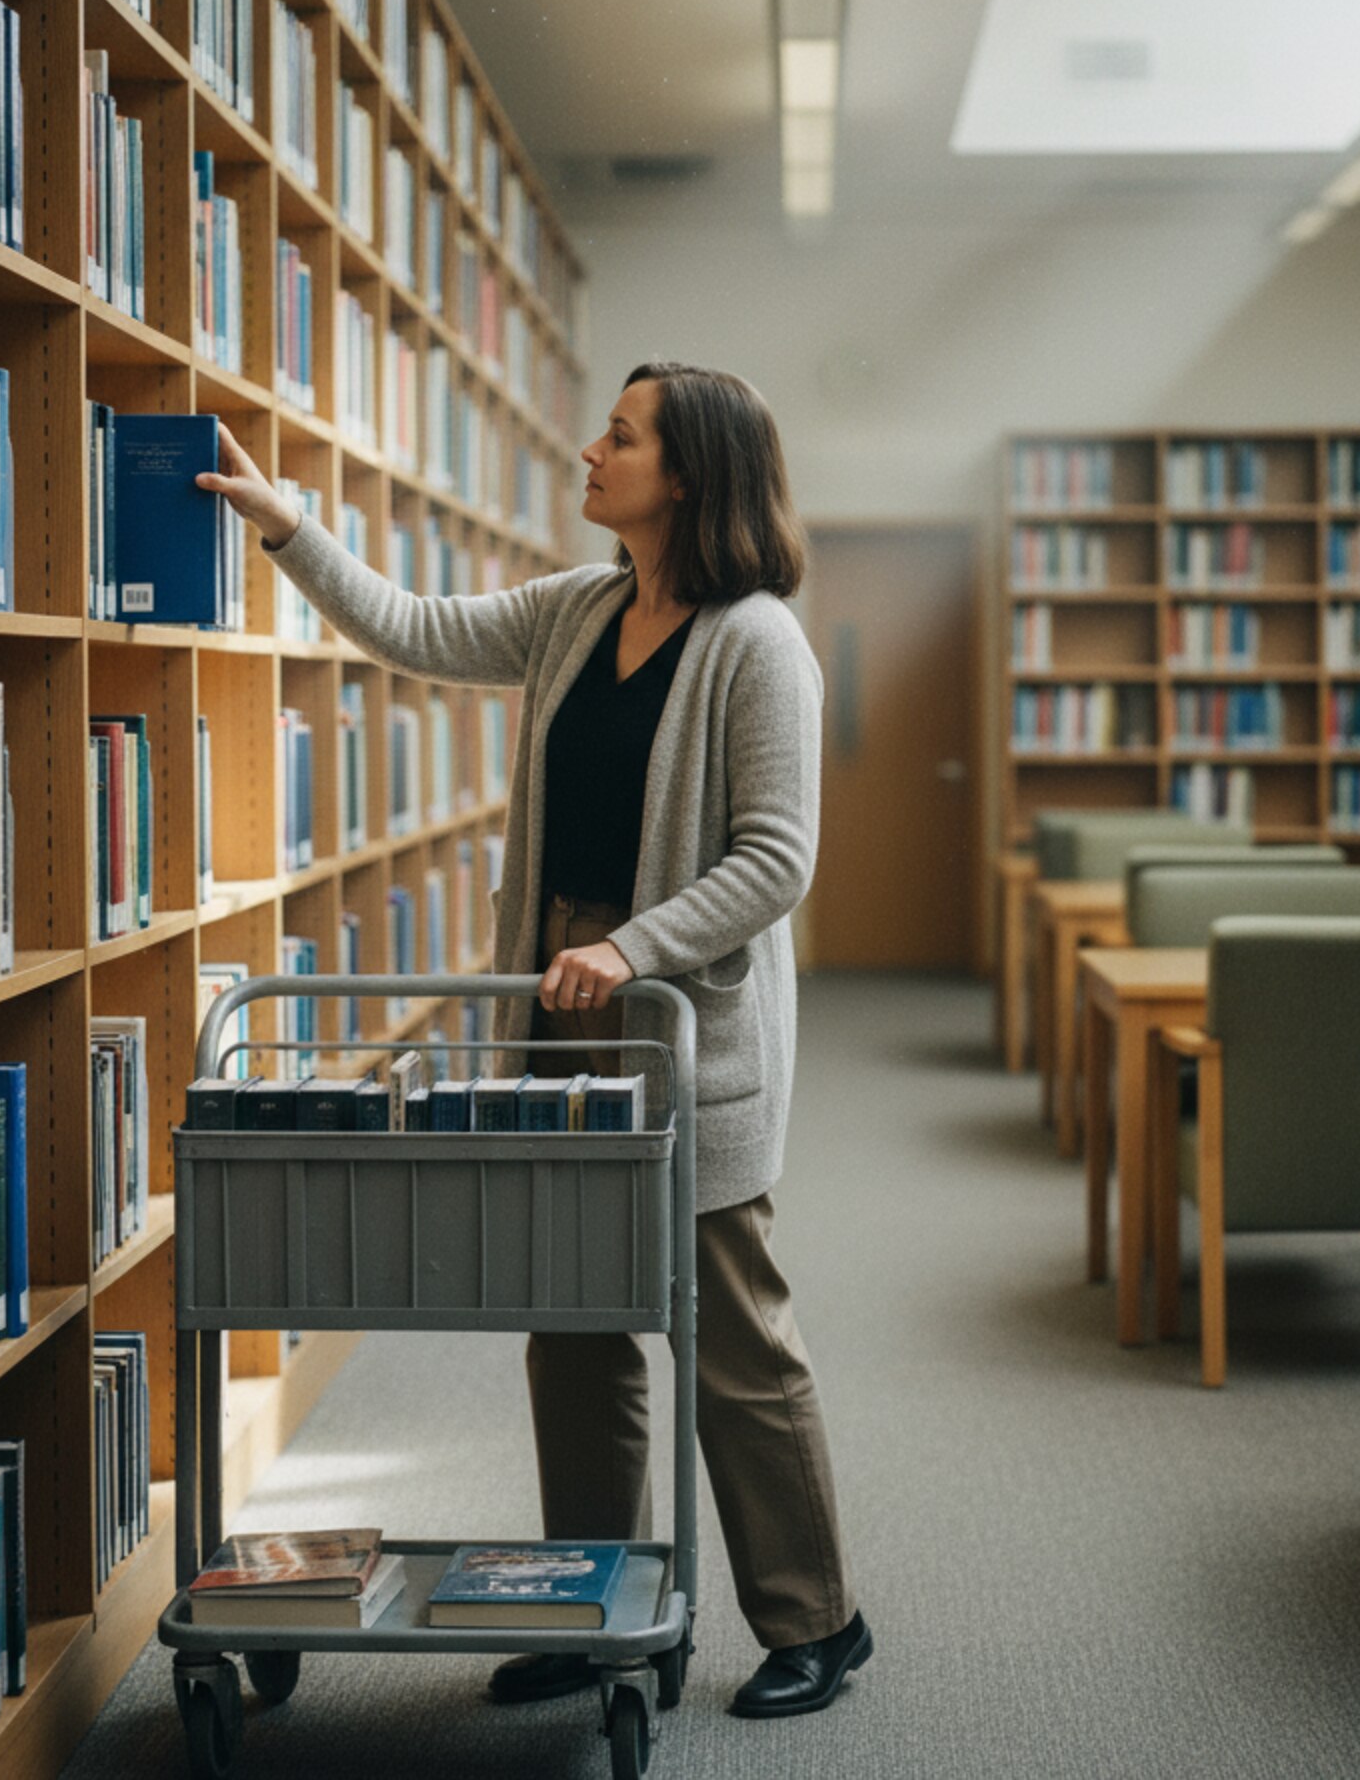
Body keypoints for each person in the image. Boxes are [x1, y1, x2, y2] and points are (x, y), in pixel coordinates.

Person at [199, 360, 871, 1720]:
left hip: (678, 1024)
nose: (590, 449)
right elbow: (416, 627)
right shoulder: (578, 610)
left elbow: (778, 857)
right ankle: (597, 1597)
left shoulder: (758, 643)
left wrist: (631, 947)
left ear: (687, 475)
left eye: (620, 436)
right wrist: (288, 528)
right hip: (554, 1005)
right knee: (569, 1320)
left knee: (731, 1335)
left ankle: (818, 1621)